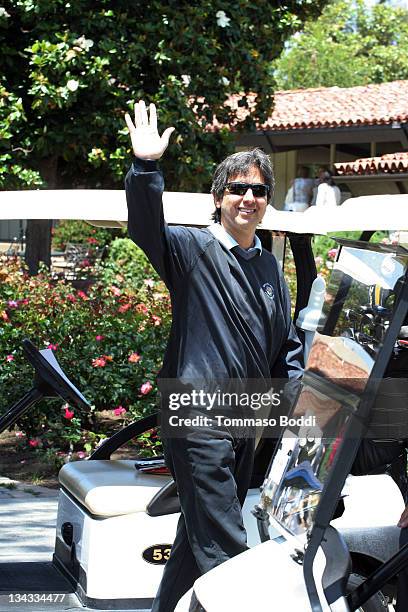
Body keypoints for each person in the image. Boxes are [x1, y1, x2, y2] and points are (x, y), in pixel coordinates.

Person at [124, 100, 304, 612]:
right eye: (237, 188)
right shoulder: (190, 250)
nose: (248, 198)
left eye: (259, 190)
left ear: (267, 200)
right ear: (218, 197)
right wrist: (146, 168)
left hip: (245, 424)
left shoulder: (270, 267)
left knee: (196, 540)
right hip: (198, 421)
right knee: (229, 549)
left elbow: (284, 351)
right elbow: (144, 226)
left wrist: (298, 417)